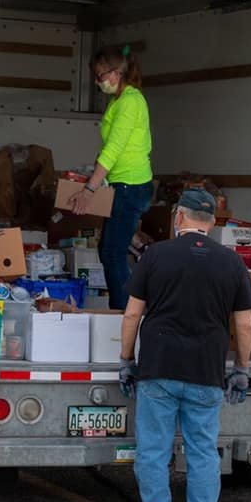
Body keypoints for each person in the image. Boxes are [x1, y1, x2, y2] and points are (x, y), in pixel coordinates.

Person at [119, 187, 251, 502]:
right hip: (206, 373)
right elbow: (244, 326)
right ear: (212, 223)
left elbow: (133, 313)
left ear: (178, 217)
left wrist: (125, 359)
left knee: (152, 452)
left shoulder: (155, 255)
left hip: (158, 370)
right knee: (202, 454)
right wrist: (242, 368)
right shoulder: (231, 263)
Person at [69, 44, 153, 309]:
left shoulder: (130, 102)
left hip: (130, 185)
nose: (97, 82)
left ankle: (125, 315)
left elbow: (114, 149)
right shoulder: (120, 99)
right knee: (111, 249)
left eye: (100, 75)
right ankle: (125, 310)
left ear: (117, 73)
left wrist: (89, 189)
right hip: (124, 184)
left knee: (112, 252)